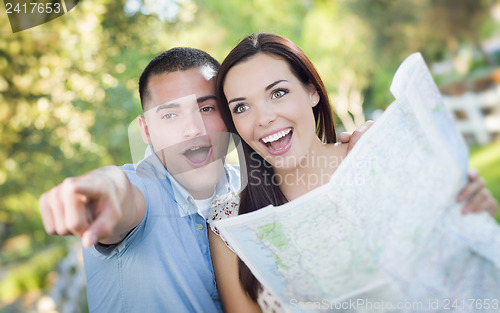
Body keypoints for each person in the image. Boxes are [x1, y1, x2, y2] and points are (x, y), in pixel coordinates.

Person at [39, 46, 372, 312]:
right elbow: (120, 191)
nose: (193, 129)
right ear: (146, 130)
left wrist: (368, 146)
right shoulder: (142, 188)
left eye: (207, 108)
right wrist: (101, 192)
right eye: (169, 114)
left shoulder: (248, 189)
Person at [207, 33, 499, 313]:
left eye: (278, 93)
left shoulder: (383, 157)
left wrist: (477, 211)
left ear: (311, 92)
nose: (264, 118)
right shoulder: (231, 221)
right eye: (242, 107)